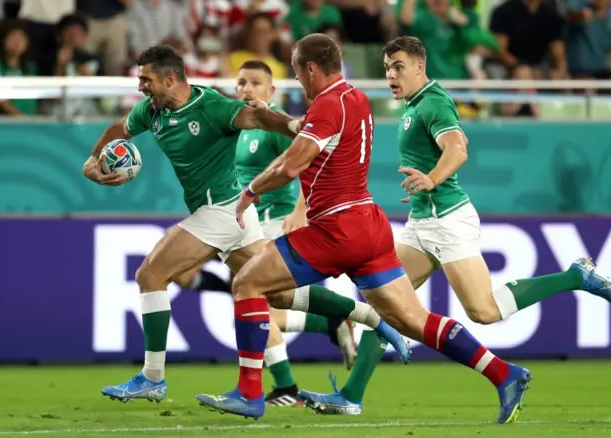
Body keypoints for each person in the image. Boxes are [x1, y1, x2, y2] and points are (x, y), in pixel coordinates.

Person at [195, 33, 531, 424]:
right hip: (370, 225)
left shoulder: (327, 104)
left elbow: (292, 164)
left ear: (310, 68)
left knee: (247, 283)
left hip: (335, 229)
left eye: (297, 71)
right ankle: (504, 374)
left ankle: (252, 393)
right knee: (412, 320)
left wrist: (249, 192)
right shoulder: (356, 98)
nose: (298, 80)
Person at [298, 35, 611, 420]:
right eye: (386, 69)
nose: (391, 75)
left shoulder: (434, 102)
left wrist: (432, 179)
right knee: (383, 302)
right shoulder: (415, 104)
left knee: (484, 310)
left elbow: (458, 147)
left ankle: (575, 276)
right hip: (422, 223)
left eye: (398, 66)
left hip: (447, 220)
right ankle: (351, 395)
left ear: (419, 66)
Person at [82, 44, 405, 404]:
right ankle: (371, 316)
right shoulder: (150, 111)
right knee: (279, 293)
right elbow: (118, 129)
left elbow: (259, 118)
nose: (140, 86)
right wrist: (94, 158)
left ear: (170, 79)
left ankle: (152, 377)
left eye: (146, 79)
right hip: (237, 213)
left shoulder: (211, 106)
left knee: (149, 275)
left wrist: (295, 124)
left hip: (219, 210)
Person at [175, 59, 358, 407]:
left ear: (271, 91)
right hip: (233, 219)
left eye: (256, 83)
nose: (247, 89)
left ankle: (287, 384)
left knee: (258, 303)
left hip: (272, 220)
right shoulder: (235, 125)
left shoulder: (274, 127)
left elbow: (309, 164)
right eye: (242, 82)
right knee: (187, 275)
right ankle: (332, 322)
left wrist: (299, 211)